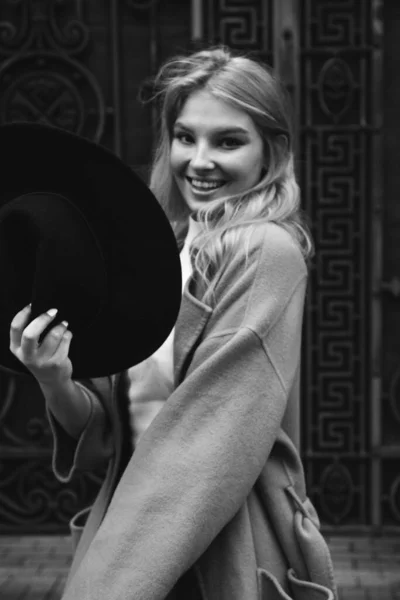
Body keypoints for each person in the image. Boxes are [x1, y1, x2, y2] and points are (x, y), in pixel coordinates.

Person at [9, 46, 337, 599]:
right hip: (142, 531)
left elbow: (209, 435)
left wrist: (106, 587)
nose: (200, 161)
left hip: (220, 537)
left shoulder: (265, 250)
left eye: (228, 141)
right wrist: (54, 378)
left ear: (270, 152)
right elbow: (110, 434)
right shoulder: (169, 250)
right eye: (186, 137)